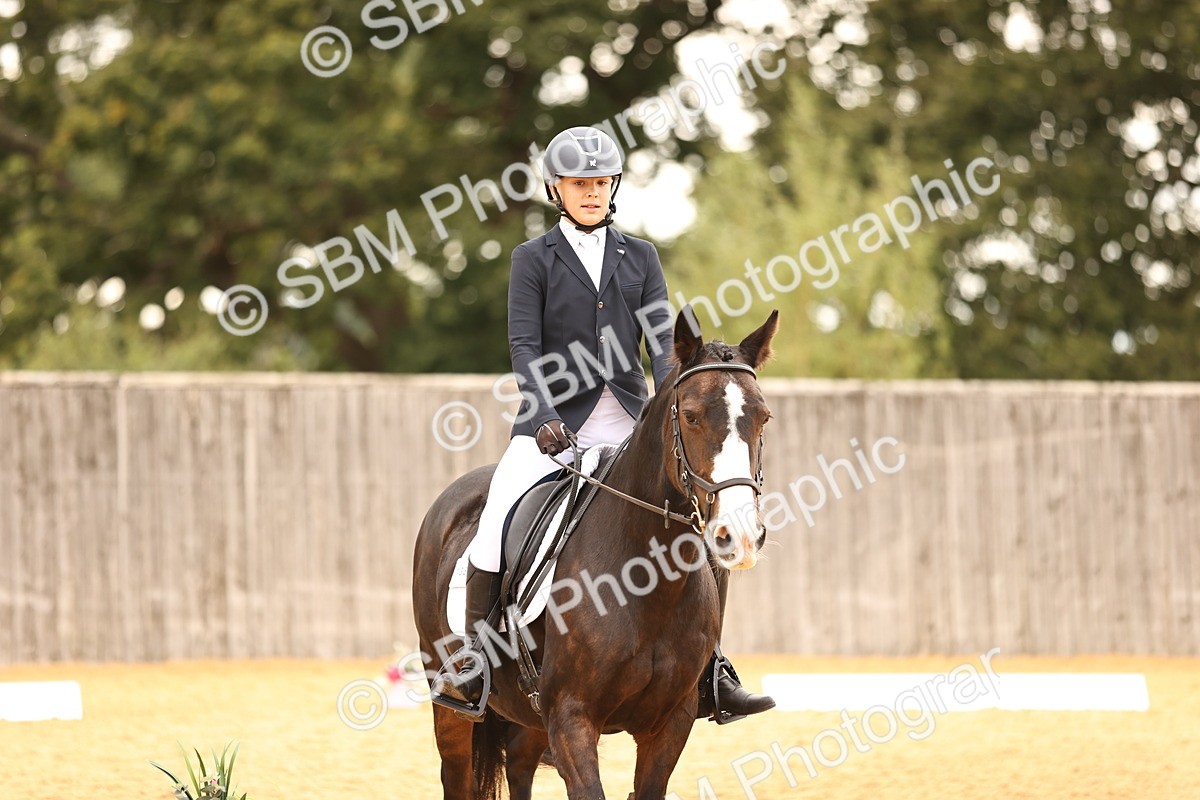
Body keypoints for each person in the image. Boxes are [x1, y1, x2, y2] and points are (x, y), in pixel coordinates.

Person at [431, 126, 774, 722]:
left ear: (612, 187)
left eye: (600, 183)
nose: (591, 193)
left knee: (702, 520)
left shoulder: (639, 256)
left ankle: (711, 669)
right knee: (493, 521)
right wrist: (539, 415)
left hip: (628, 423)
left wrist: (682, 394)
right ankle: (476, 661)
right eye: (579, 184)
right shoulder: (531, 259)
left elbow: (664, 344)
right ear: (557, 189)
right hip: (552, 425)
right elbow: (523, 345)